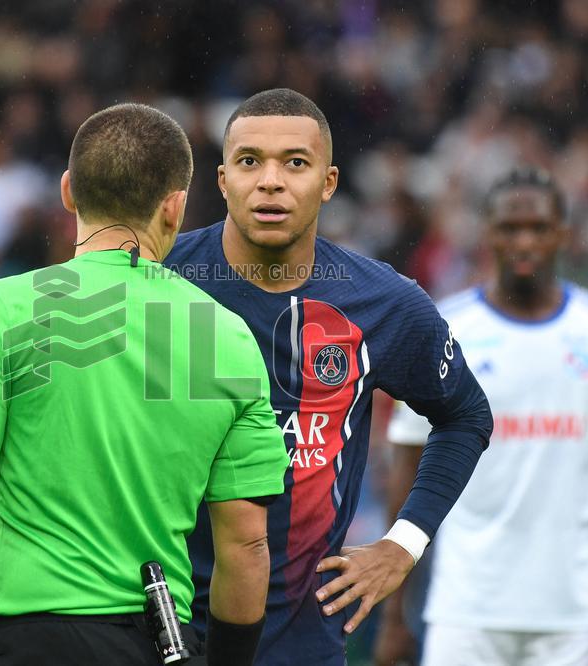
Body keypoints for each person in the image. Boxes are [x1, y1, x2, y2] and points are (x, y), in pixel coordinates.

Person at [0, 103, 290, 666]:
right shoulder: (224, 336)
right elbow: (247, 545)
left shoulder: (1, 309)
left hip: (29, 646)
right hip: (155, 643)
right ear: (175, 207)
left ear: (67, 192)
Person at [164, 88, 493, 665]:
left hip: (301, 643)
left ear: (329, 182)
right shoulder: (156, 281)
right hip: (159, 630)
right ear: (222, 180)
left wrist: (403, 544)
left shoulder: (382, 303)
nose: (270, 182)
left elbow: (466, 416)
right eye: (249, 161)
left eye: (295, 163)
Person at [380, 167, 588, 666]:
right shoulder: (445, 330)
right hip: (464, 610)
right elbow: (407, 466)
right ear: (488, 234)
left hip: (575, 614)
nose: (524, 241)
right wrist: (393, 612)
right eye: (510, 228)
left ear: (563, 234)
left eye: (538, 228)